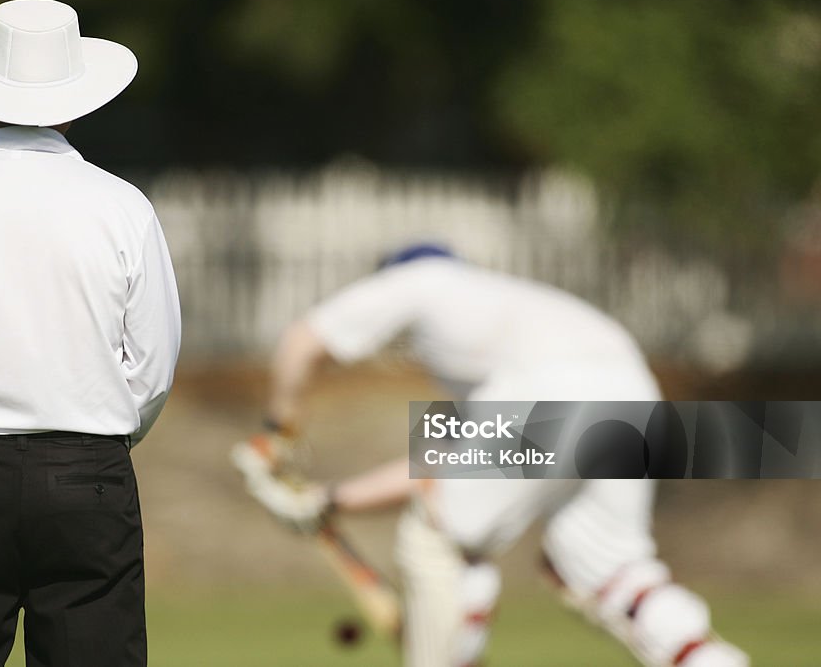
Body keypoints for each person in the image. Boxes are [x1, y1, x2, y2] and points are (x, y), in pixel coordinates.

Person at [242, 244, 748, 666]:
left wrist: (276, 436)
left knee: (441, 538)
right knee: (614, 572)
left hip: (555, 392)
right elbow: (436, 466)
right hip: (634, 390)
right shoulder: (501, 324)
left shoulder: (418, 278)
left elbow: (300, 343)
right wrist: (329, 500)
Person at [0, 0, 180, 667]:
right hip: (89, 472)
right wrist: (100, 429)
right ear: (77, 99)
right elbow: (153, 367)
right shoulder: (122, 205)